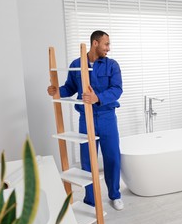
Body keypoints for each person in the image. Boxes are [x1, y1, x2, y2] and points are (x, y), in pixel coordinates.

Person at [47, 30, 124, 210]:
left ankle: (114, 195)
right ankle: (91, 200)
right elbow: (70, 88)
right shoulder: (76, 64)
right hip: (85, 119)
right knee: (88, 160)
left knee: (112, 157)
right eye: (106, 44)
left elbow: (117, 89)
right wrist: (57, 91)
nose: (109, 48)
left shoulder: (112, 65)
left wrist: (98, 98)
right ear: (95, 43)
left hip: (107, 117)